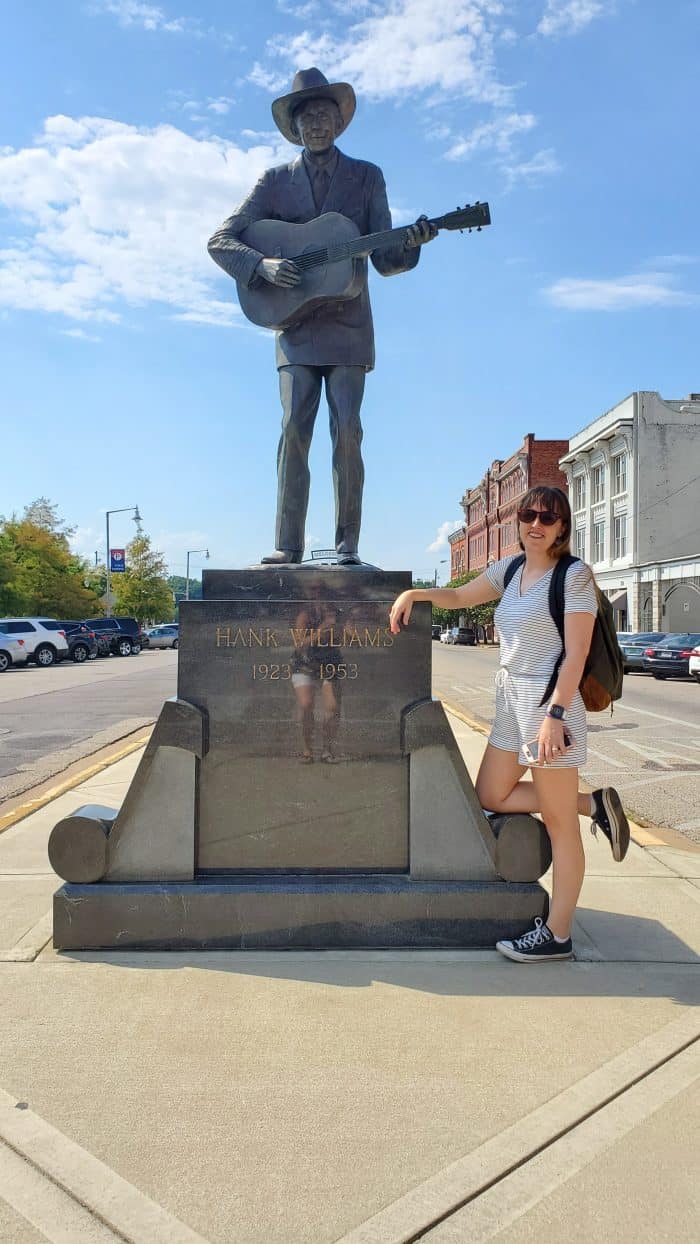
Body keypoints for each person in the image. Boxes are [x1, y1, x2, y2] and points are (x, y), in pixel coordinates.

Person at [389, 485, 630, 963]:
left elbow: (576, 655)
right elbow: (459, 595)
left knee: (560, 825)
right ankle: (593, 803)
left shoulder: (574, 576)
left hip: (548, 711)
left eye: (548, 516)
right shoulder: (512, 569)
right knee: (490, 795)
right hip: (509, 706)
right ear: (518, 521)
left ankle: (558, 934)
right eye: (528, 514)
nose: (536, 523)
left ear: (562, 526)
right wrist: (414, 592)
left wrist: (556, 715)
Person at [207, 67, 436, 567]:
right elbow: (220, 241)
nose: (316, 124)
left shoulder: (367, 177)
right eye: (307, 117)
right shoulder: (273, 182)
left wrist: (410, 246)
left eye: (324, 115)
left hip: (350, 327)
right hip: (293, 326)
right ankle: (287, 545)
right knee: (293, 427)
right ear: (295, 127)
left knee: (348, 427)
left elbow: (385, 259)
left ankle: (347, 543)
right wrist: (262, 265)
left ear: (338, 122)